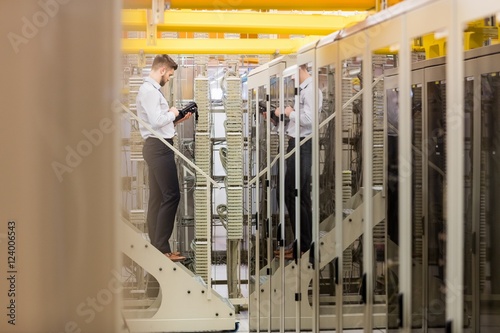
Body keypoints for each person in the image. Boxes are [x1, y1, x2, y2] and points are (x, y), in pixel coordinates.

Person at [136, 54, 192, 262]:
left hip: (158, 144)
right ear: (161, 70)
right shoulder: (149, 91)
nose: (168, 78)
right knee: (172, 195)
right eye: (168, 74)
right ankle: (161, 247)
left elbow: (157, 125)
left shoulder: (151, 91)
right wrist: (172, 112)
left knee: (158, 198)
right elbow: (157, 119)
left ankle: (158, 246)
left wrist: (176, 121)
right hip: (159, 149)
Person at [273, 64, 323, 259]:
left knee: (293, 194)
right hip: (297, 143)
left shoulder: (311, 90)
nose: (292, 80)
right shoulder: (304, 90)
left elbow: (309, 119)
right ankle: (301, 243)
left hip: (303, 145)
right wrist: (278, 118)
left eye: (292, 75)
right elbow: (299, 120)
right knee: (297, 196)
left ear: (300, 69)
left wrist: (288, 112)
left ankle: (303, 245)